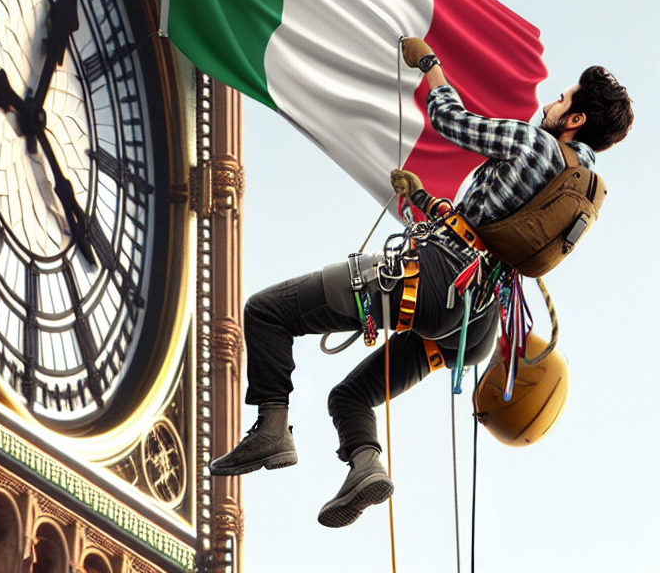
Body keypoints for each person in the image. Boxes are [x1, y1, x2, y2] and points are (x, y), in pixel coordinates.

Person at [209, 37, 634, 528]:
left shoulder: (536, 144)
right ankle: (365, 464)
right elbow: (490, 229)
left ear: (575, 120)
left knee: (267, 310)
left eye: (561, 99)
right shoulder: (580, 192)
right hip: (475, 328)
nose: (550, 104)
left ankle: (271, 427)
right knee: (350, 397)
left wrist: (430, 65)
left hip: (432, 279)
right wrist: (426, 200)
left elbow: (452, 121)